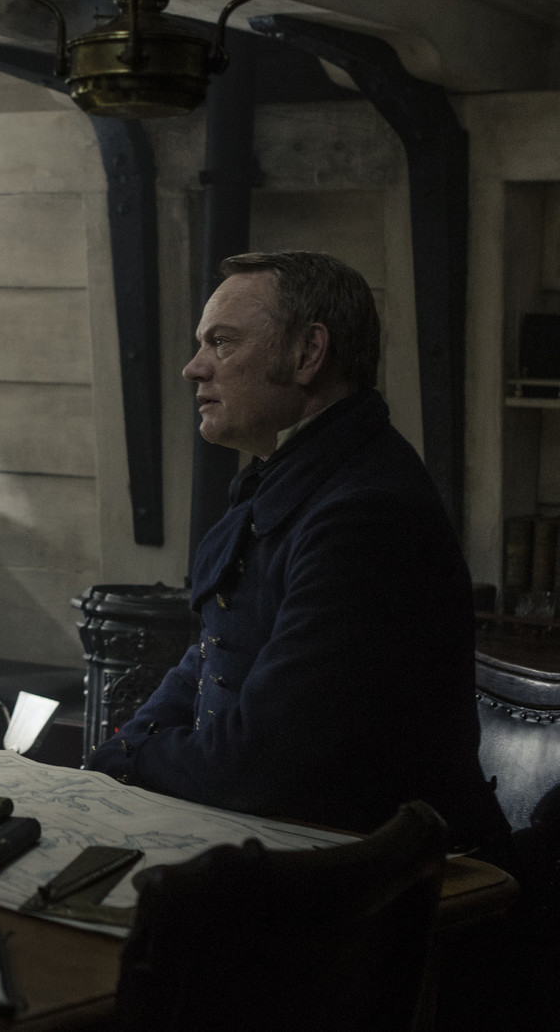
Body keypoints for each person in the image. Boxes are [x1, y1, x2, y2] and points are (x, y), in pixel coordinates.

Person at [87, 251, 505, 850]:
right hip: (280, 840)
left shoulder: (366, 513)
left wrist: (133, 753)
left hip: (388, 884)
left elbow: (260, 765)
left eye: (222, 343)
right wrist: (119, 752)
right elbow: (207, 660)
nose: (193, 368)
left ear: (308, 354)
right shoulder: (291, 479)